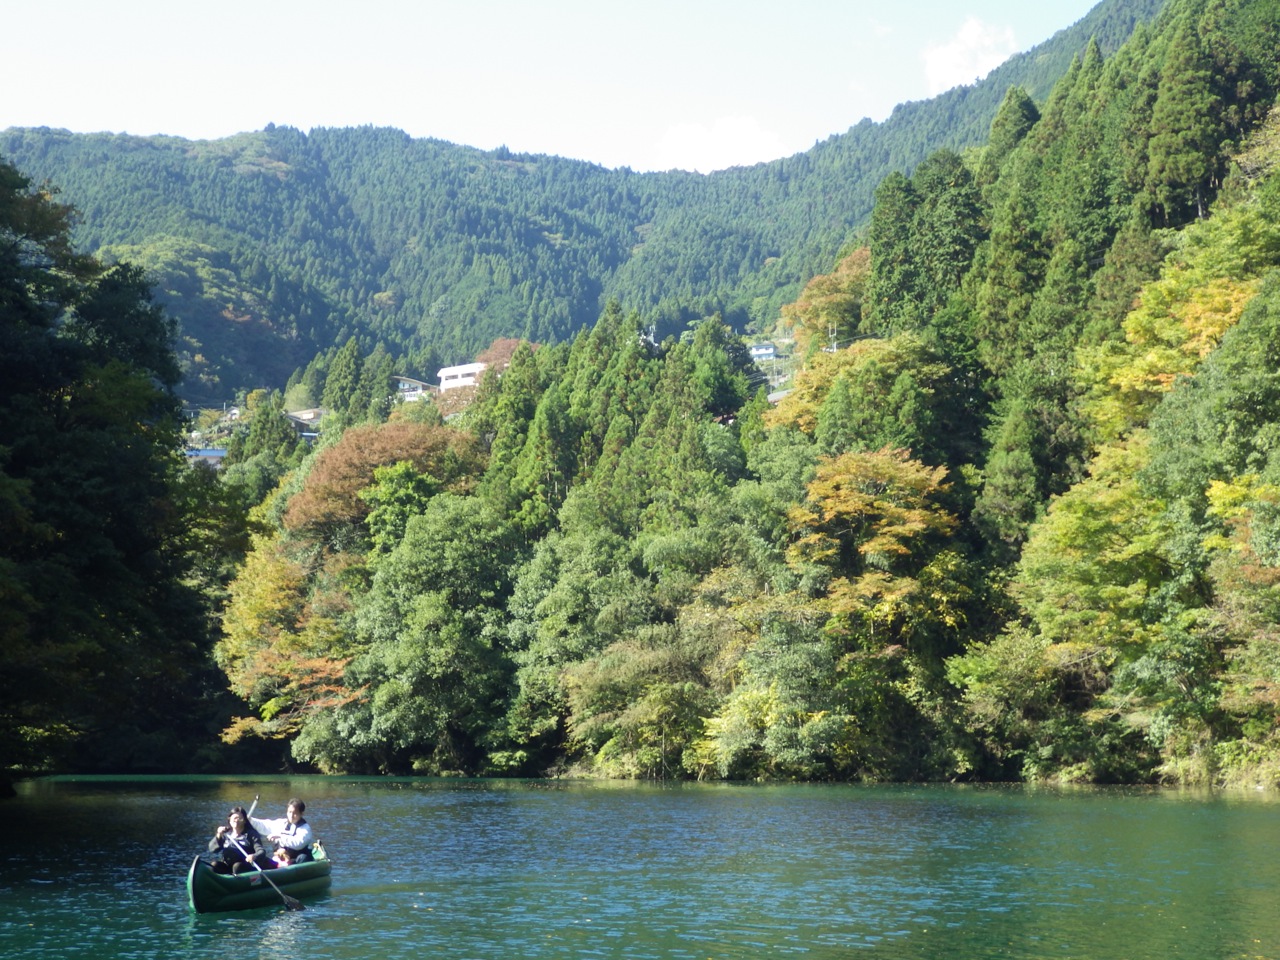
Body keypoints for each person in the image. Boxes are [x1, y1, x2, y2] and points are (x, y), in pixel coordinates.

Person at [250, 798, 314, 863]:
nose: (291, 816)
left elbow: (298, 843)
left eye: (295, 813)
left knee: (303, 857)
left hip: (296, 859)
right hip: (282, 858)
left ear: (301, 814)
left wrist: (280, 836)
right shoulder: (282, 823)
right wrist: (250, 820)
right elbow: (265, 825)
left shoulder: (305, 828)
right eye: (290, 812)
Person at [208, 806, 267, 875]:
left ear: (245, 821)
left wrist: (254, 856)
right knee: (214, 865)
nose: (236, 820)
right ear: (229, 820)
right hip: (228, 866)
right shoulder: (225, 834)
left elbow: (261, 851)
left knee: (237, 866)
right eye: (234, 818)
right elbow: (212, 849)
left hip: (245, 866)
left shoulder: (251, 834)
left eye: (240, 818)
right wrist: (218, 835)